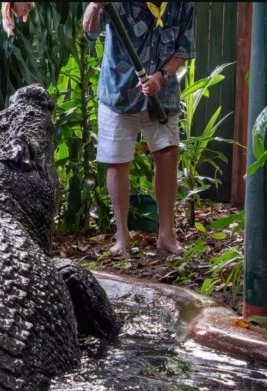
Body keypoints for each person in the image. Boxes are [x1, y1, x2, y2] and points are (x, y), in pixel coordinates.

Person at [82, 2, 195, 256]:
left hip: (162, 95)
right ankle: (122, 237)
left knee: (168, 154)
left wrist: (161, 76)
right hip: (119, 92)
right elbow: (89, 30)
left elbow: (183, 48)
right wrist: (95, 6)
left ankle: (166, 234)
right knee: (118, 161)